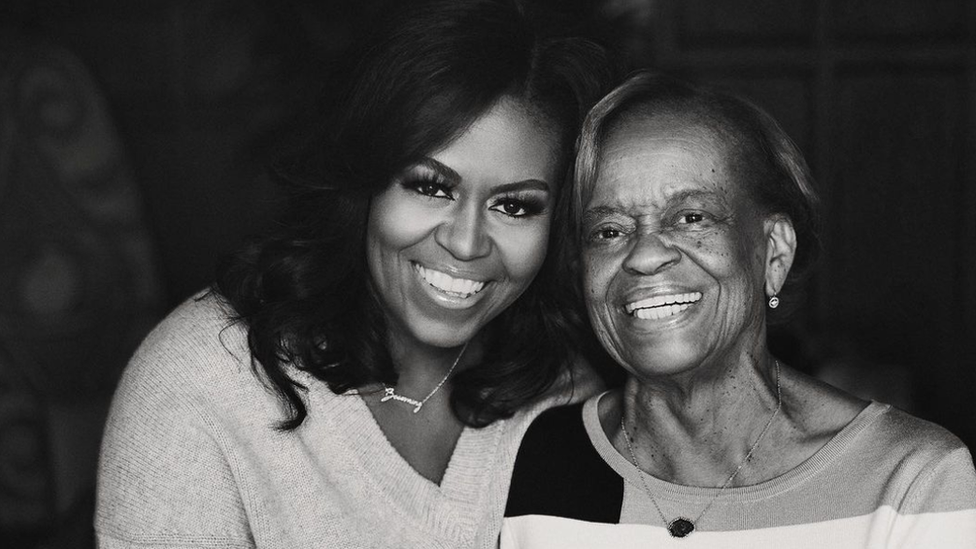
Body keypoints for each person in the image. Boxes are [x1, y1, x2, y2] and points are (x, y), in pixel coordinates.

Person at [95, 1, 612, 547]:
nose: (465, 242)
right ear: (364, 183)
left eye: (515, 207)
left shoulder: (566, 397)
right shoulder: (202, 383)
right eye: (430, 186)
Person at [501, 71, 976, 548]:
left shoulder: (911, 479)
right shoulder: (531, 457)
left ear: (772, 253)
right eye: (608, 230)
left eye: (691, 218)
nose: (644, 256)